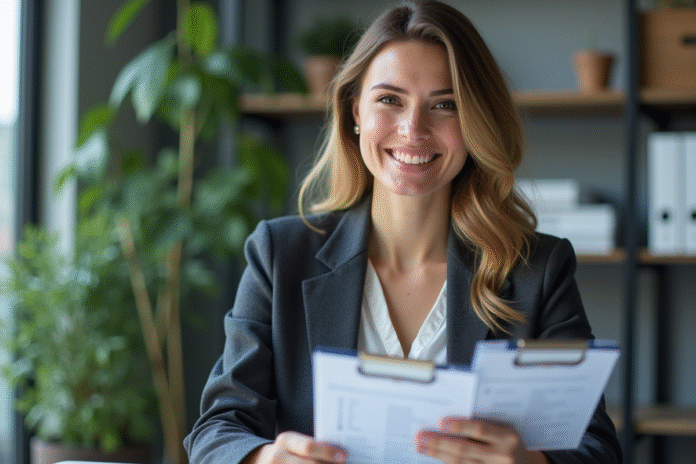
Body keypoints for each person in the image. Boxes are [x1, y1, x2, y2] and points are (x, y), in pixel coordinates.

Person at [184, 1, 622, 463]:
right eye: (389, 100)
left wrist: (530, 463)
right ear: (355, 112)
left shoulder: (537, 270)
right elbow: (217, 429)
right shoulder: (279, 255)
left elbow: (597, 450)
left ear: (476, 123)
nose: (414, 129)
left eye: (445, 105)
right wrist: (263, 459)